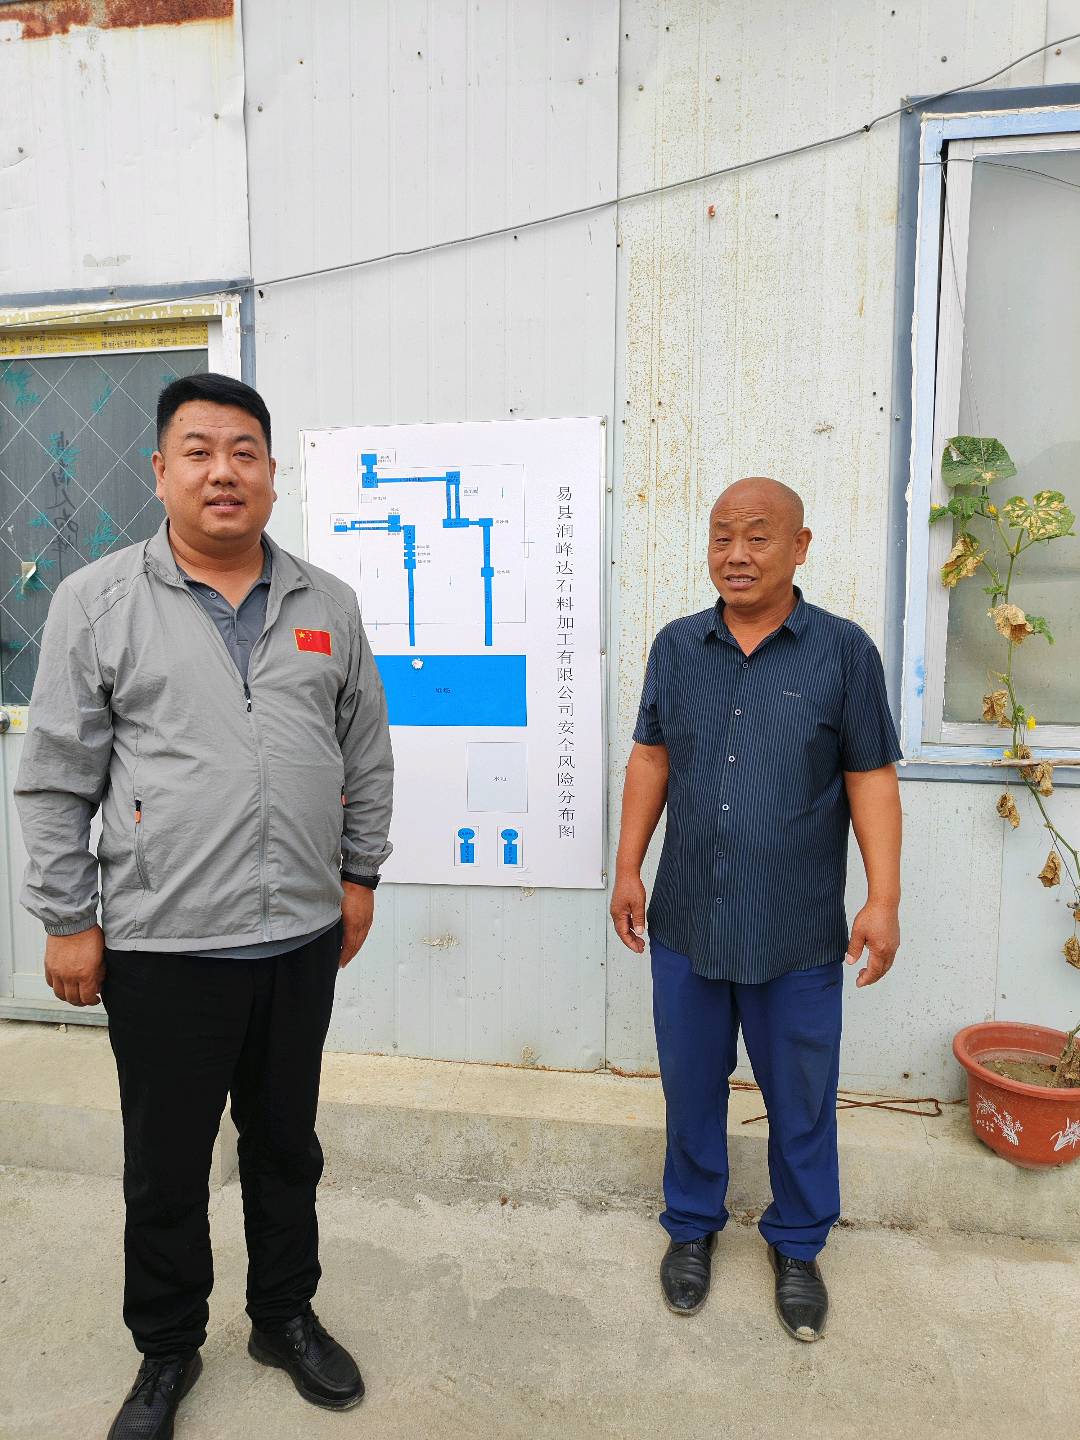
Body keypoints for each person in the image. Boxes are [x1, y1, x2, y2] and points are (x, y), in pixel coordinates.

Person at [16, 373, 393, 1437]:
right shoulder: (98, 601)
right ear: (160, 472)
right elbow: (54, 778)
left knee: (286, 1148)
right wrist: (67, 919)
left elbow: (365, 749)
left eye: (244, 452)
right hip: (163, 945)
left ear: (272, 473)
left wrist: (359, 874)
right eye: (198, 451)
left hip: (299, 939)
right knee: (167, 1167)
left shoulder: (327, 605)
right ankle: (167, 1348)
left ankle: (283, 1317)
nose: (223, 472)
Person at [609, 476, 902, 1342]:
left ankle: (799, 1244)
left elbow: (871, 778)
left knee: (801, 1097)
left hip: (795, 928)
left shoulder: (844, 653)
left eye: (758, 536)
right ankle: (691, 1227)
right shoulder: (677, 647)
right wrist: (627, 868)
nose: (736, 555)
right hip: (688, 918)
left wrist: (883, 898)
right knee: (690, 1087)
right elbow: (651, 758)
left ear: (800, 547)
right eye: (722, 536)